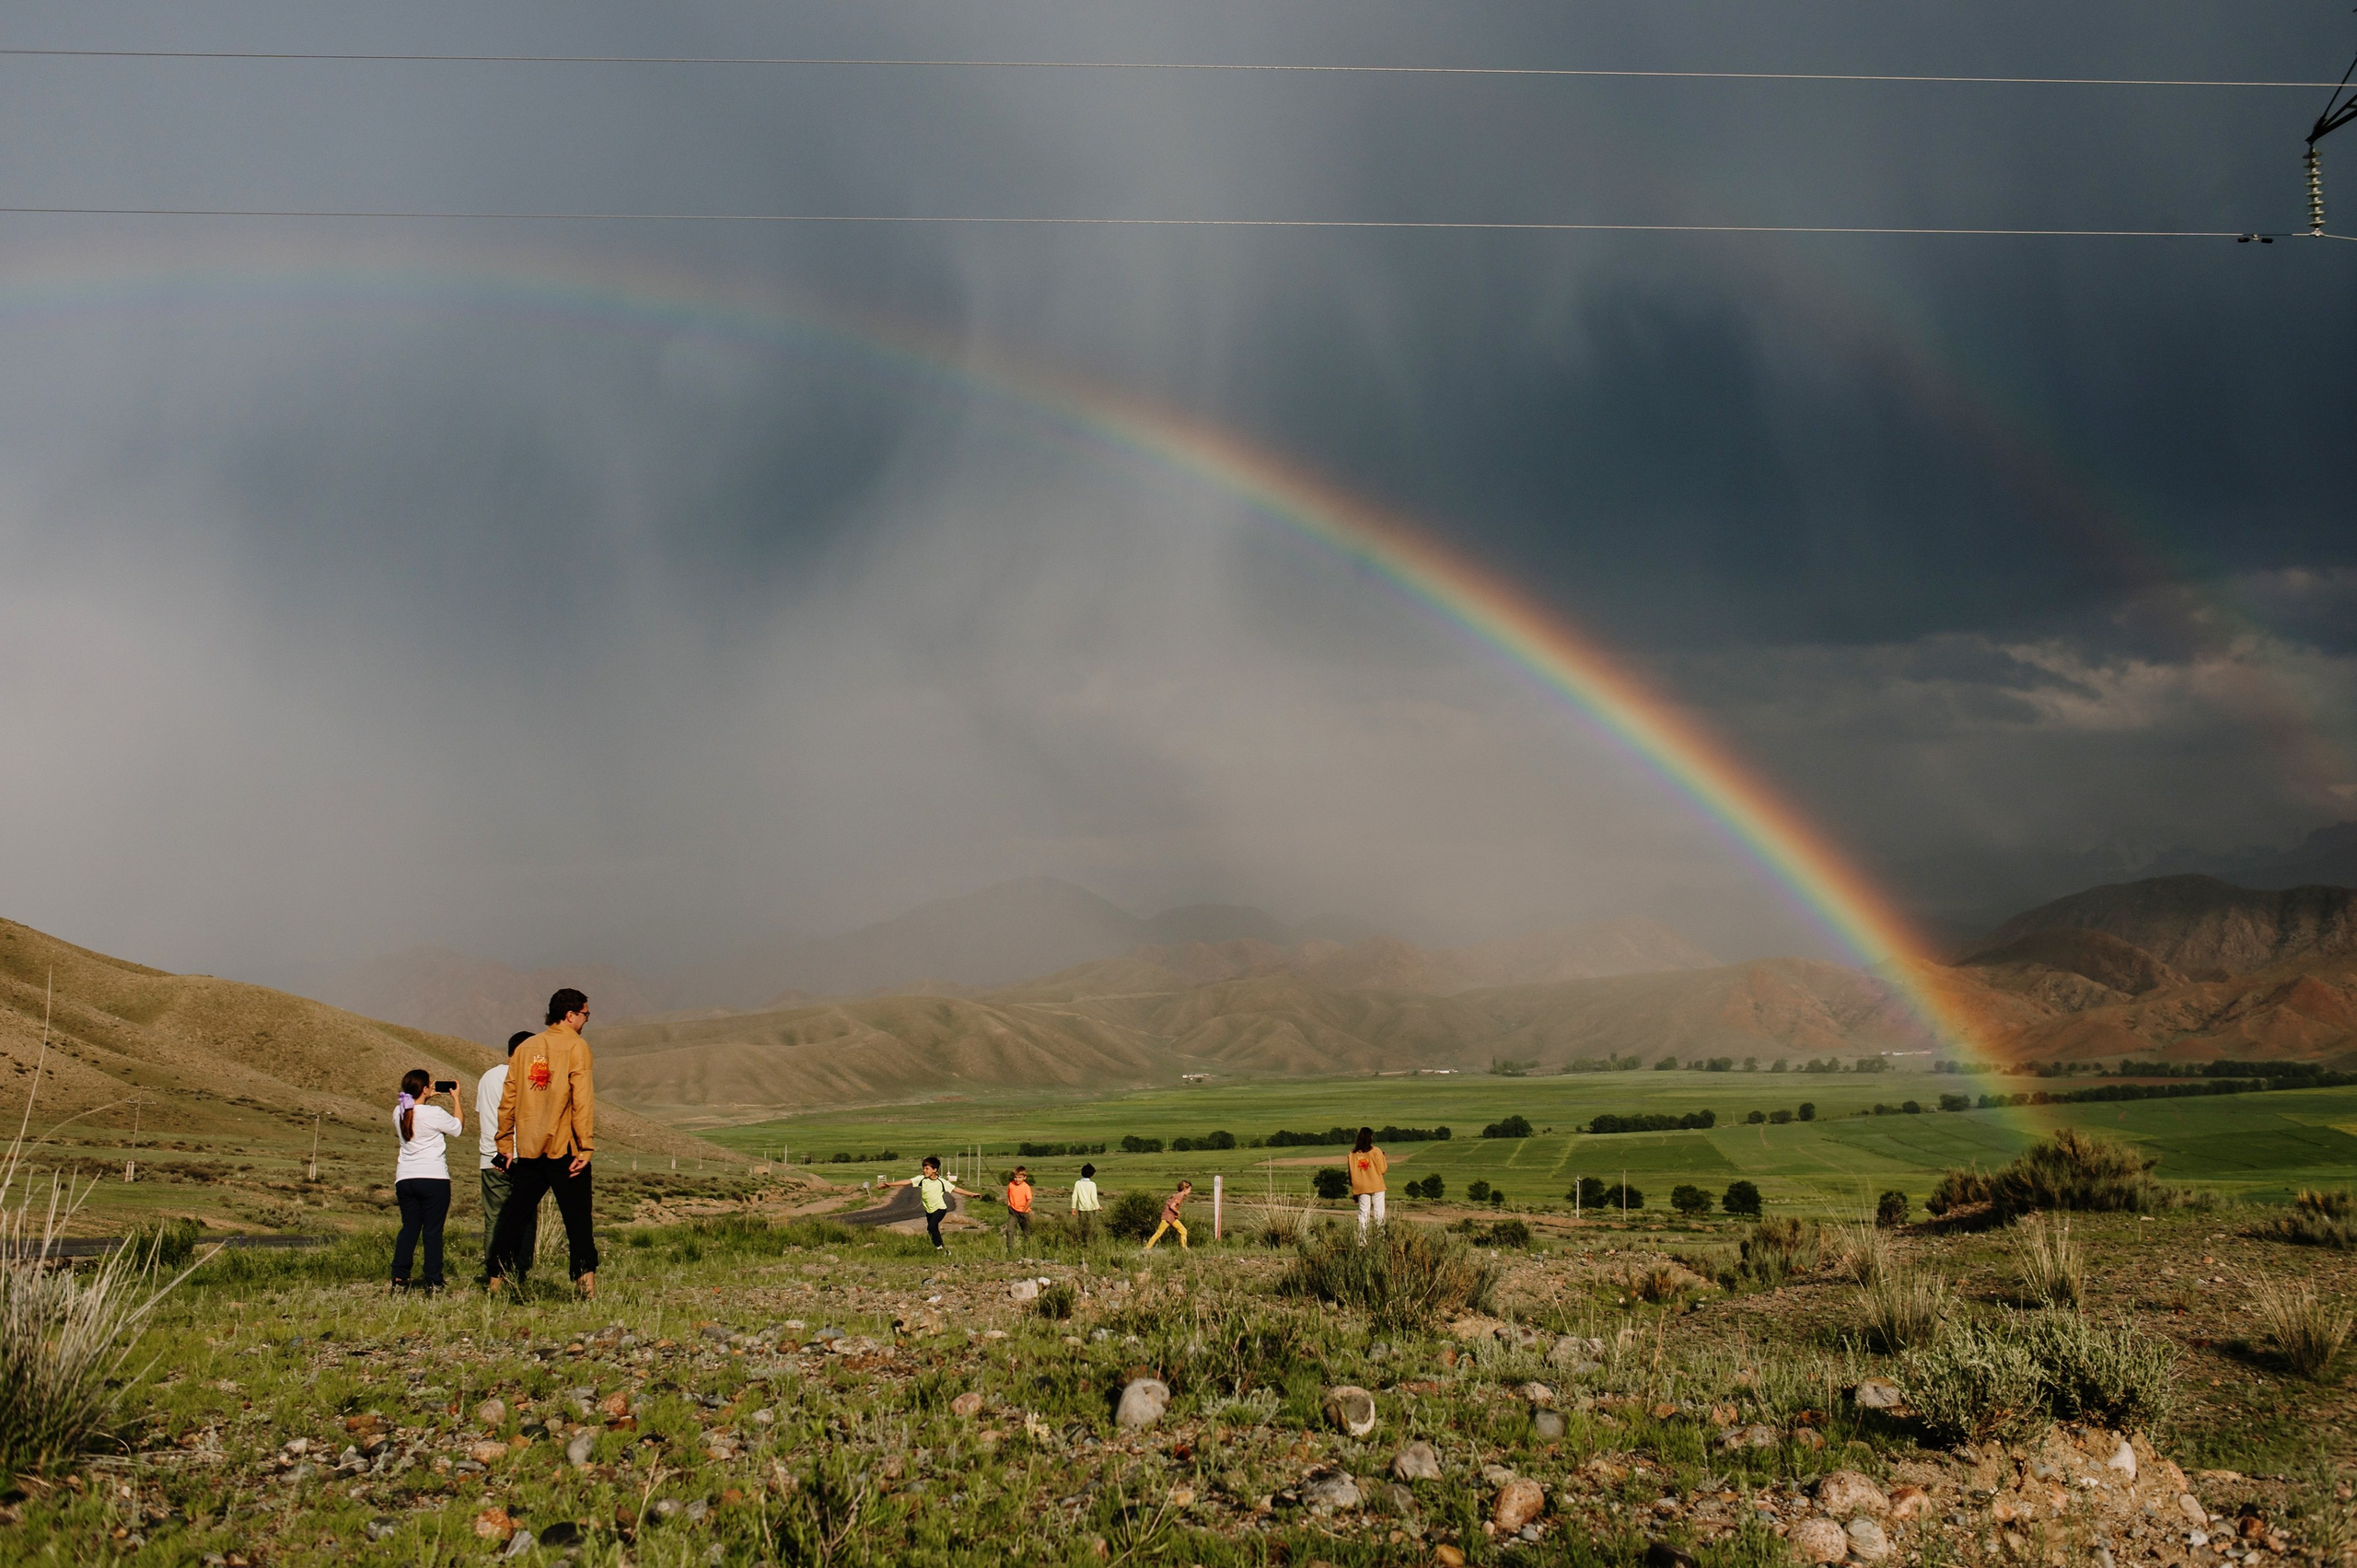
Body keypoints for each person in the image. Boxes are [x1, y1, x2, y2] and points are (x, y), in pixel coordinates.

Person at [488, 988, 598, 1298]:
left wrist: (504, 1143)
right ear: (570, 1014)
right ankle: (586, 1288)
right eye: (585, 1014)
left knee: (512, 1218)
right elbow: (582, 1101)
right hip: (564, 1149)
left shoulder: (524, 1048)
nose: (586, 1020)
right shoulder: (578, 1047)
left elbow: (508, 1099)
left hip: (529, 1148)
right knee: (577, 1221)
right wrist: (585, 1146)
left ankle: (495, 1282)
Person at [391, 1067, 463, 1292]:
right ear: (424, 1088)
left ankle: (400, 1276)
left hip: (405, 1177)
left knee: (409, 1228)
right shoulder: (435, 1113)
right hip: (433, 1177)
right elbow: (458, 1128)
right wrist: (456, 1100)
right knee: (432, 1231)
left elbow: (412, 1109)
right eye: (429, 1084)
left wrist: (423, 1097)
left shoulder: (399, 1111)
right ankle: (433, 1279)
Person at [475, 1031, 538, 1286]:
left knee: (495, 1219)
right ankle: (519, 1272)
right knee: (526, 1216)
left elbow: (483, 1112)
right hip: (523, 1154)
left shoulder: (487, 1077)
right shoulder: (529, 1077)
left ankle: (494, 1274)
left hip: (491, 1156)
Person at [885, 1156, 968, 1251]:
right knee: (931, 1230)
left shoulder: (941, 1181)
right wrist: (890, 1184)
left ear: (935, 1170)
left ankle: (940, 1248)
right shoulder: (921, 1179)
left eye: (927, 1168)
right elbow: (908, 1181)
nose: (924, 1170)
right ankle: (940, 1249)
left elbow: (955, 1189)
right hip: (929, 1210)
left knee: (932, 1226)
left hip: (940, 1209)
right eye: (923, 1168)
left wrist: (972, 1194)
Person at [1350, 1127, 1388, 1240]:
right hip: (1376, 1185)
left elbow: (1350, 1173)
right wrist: (1383, 1157)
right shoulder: (1376, 1151)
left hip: (1361, 1186)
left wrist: (1354, 1190)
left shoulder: (1352, 1154)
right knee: (1379, 1213)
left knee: (1363, 1214)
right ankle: (1380, 1238)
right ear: (1370, 1137)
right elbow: (1383, 1170)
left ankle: (1362, 1240)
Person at [1144, 1179, 1192, 1250]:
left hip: (1172, 1217)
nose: (1190, 1192)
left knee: (1183, 1230)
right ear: (1185, 1189)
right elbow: (1172, 1206)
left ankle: (1184, 1248)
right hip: (1168, 1217)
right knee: (1159, 1232)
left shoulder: (1177, 1194)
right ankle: (1147, 1248)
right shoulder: (1179, 1196)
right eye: (1189, 1190)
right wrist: (1178, 1212)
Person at [1070, 1162, 1101, 1245]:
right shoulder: (1092, 1184)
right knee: (1091, 1227)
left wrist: (1073, 1208)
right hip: (1091, 1209)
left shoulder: (1078, 1183)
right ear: (1091, 1174)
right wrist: (1098, 1206)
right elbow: (1093, 1198)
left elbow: (1074, 1197)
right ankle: (1091, 1243)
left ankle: (1082, 1242)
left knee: (1082, 1227)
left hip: (1081, 1209)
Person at [1004, 1165, 1035, 1240]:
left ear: (1024, 1177)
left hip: (1023, 1212)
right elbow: (1009, 1194)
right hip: (1013, 1212)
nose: (1017, 1179)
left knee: (1026, 1232)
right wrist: (1009, 1203)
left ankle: (1027, 1247)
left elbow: (1030, 1199)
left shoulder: (1026, 1187)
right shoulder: (1011, 1184)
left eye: (1019, 1177)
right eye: (1016, 1177)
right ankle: (1010, 1250)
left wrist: (1024, 1210)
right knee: (1009, 1231)